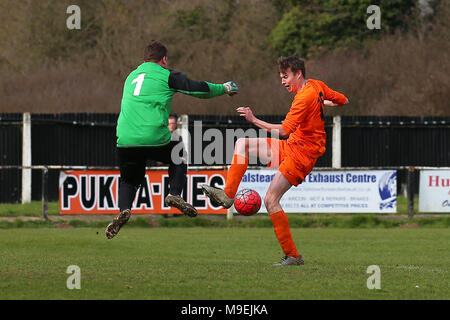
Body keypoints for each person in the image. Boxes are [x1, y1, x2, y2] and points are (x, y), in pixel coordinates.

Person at [202, 55, 348, 265]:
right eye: (281, 77)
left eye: (285, 76)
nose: (282, 81)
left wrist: (253, 119)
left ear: (298, 74)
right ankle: (228, 195)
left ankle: (293, 256)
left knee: (271, 200)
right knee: (243, 144)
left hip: (302, 155)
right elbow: (343, 100)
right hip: (291, 146)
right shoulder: (317, 86)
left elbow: (283, 130)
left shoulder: (304, 98)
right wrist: (321, 103)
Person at [106, 40, 239, 239]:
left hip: (125, 137)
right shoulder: (167, 75)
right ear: (164, 60)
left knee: (128, 179)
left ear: (145, 59)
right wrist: (225, 87)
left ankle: (124, 210)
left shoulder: (131, 76)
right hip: (152, 136)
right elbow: (199, 89)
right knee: (178, 152)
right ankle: (174, 194)